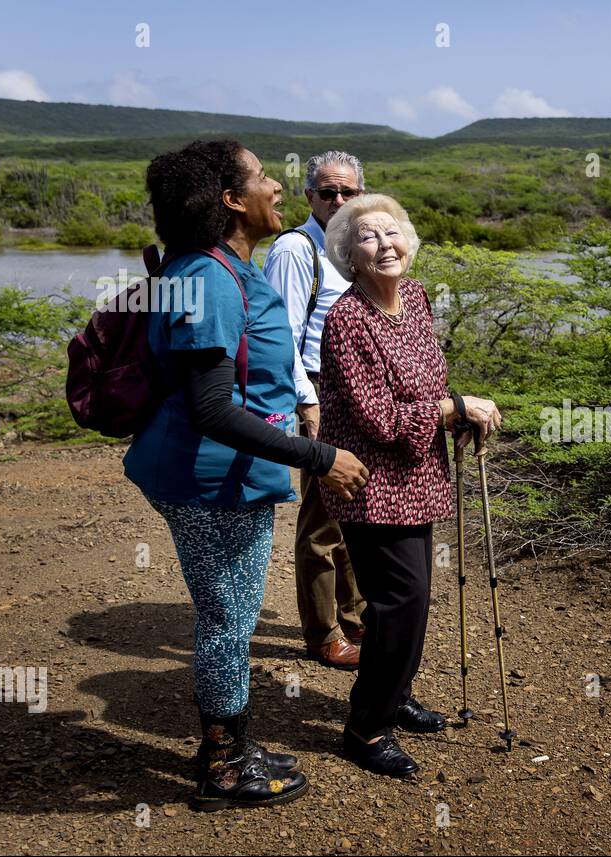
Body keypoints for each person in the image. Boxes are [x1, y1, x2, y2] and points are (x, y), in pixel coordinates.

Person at [124, 139, 368, 809]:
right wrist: (320, 458)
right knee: (227, 620)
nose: (278, 186)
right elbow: (209, 408)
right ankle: (225, 767)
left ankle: (233, 744)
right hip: (211, 483)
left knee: (225, 616)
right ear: (231, 199)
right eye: (262, 176)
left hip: (225, 477)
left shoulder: (224, 266)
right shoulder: (209, 278)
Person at [318, 193, 503, 777]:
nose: (383, 245)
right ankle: (365, 730)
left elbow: (430, 384)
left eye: (391, 232)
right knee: (401, 602)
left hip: (419, 473)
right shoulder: (349, 320)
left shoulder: (417, 298)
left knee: (410, 602)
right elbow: (377, 417)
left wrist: (460, 415)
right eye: (367, 238)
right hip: (370, 481)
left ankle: (393, 696)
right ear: (350, 254)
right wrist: (453, 409)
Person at [263, 150, 367, 670]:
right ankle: (323, 632)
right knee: (324, 518)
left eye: (348, 192)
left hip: (357, 395)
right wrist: (308, 403)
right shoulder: (295, 249)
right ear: (310, 197)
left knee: (355, 510)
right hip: (319, 394)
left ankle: (354, 615)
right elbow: (278, 338)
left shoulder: (352, 249)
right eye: (328, 192)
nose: (339, 200)